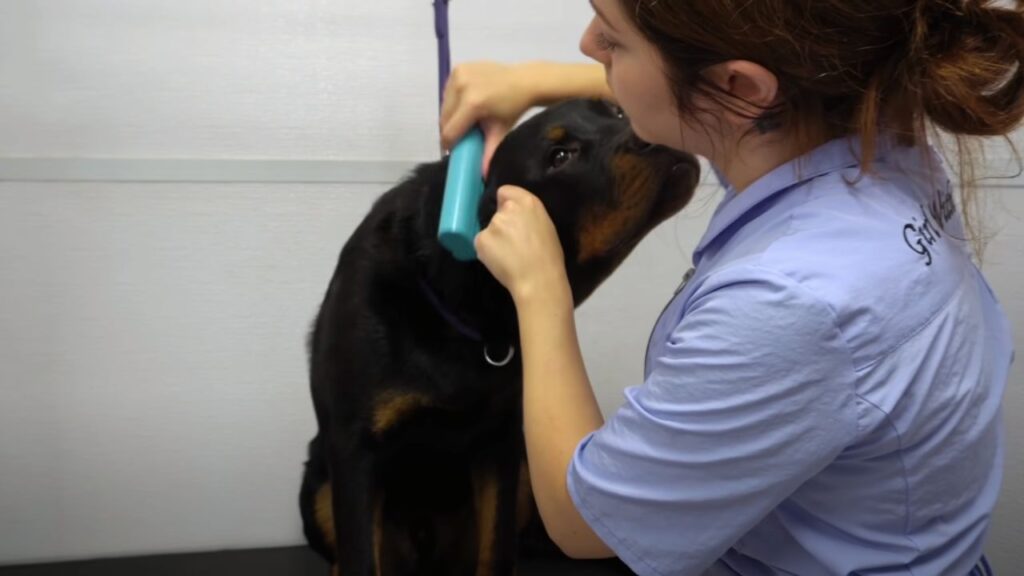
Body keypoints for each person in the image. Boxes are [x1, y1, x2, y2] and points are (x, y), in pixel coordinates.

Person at [440, 1, 1023, 575]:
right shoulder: (881, 126)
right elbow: (724, 106)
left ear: (739, 87)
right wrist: (530, 80)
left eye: (612, 39)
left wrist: (540, 291)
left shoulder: (789, 302)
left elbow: (583, 523)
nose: (587, 45)